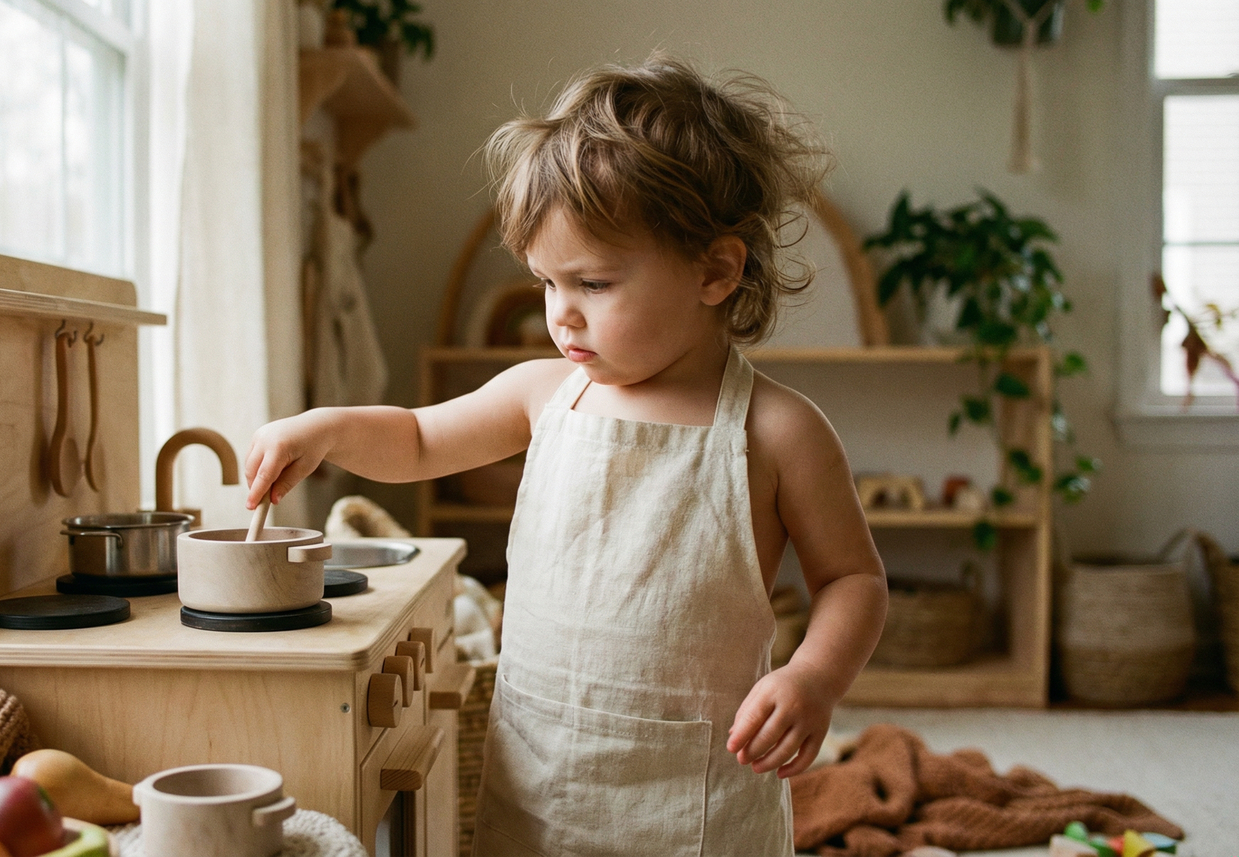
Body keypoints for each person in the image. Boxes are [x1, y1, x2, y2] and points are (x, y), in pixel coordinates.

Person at [245, 55, 888, 857]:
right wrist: (327, 428)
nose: (560, 316)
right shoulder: (542, 392)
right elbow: (415, 439)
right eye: (547, 283)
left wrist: (812, 677)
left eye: (592, 283)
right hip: (541, 777)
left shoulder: (777, 431)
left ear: (716, 270)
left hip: (696, 803)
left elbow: (851, 579)